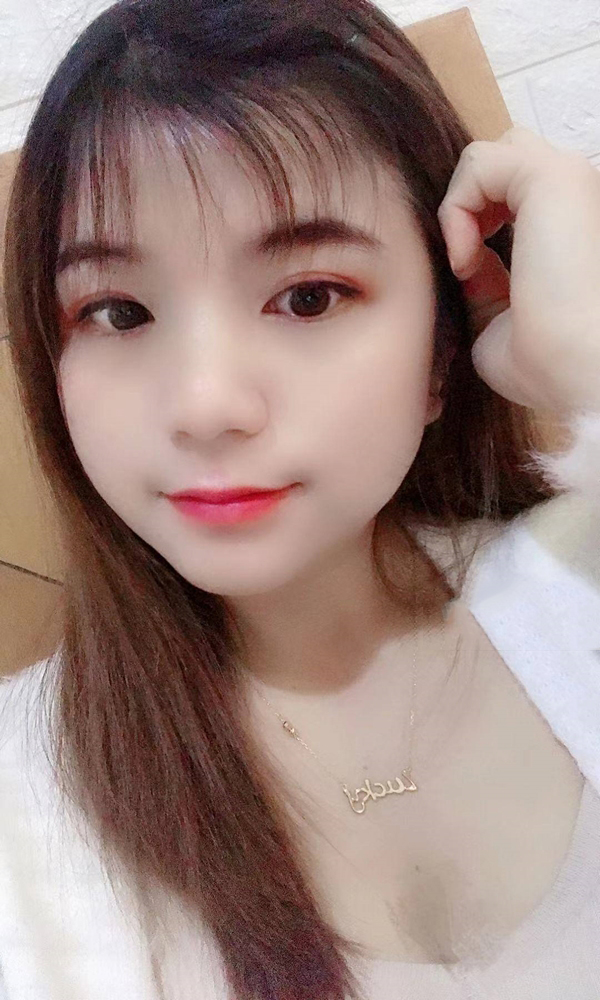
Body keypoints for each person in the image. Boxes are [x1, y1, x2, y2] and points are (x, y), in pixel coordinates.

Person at [1, 0, 600, 997]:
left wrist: (591, 364)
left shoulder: (583, 579)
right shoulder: (20, 813)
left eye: (309, 296)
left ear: (443, 340)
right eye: (119, 311)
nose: (206, 405)